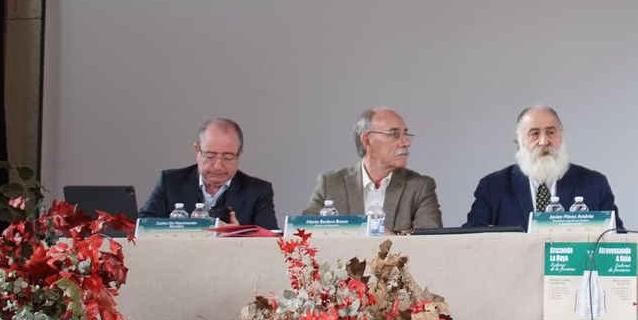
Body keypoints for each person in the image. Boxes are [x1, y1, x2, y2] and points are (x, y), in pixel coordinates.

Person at [464, 105, 623, 230]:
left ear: (561, 136)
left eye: (551, 132)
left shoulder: (595, 184)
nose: (543, 141)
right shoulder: (493, 187)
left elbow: (617, 239)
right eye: (534, 133)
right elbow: (472, 239)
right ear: (519, 141)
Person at [301, 107, 442, 232]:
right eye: (394, 134)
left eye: (405, 134)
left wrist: (388, 238)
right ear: (367, 140)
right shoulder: (330, 184)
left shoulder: (420, 187)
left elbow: (430, 246)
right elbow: (305, 237)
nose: (406, 142)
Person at [138, 117, 278, 228]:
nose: (218, 166)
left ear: (239, 154)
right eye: (210, 156)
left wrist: (237, 236)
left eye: (228, 157)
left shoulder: (258, 191)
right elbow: (142, 225)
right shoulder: (170, 182)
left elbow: (272, 241)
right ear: (197, 151)